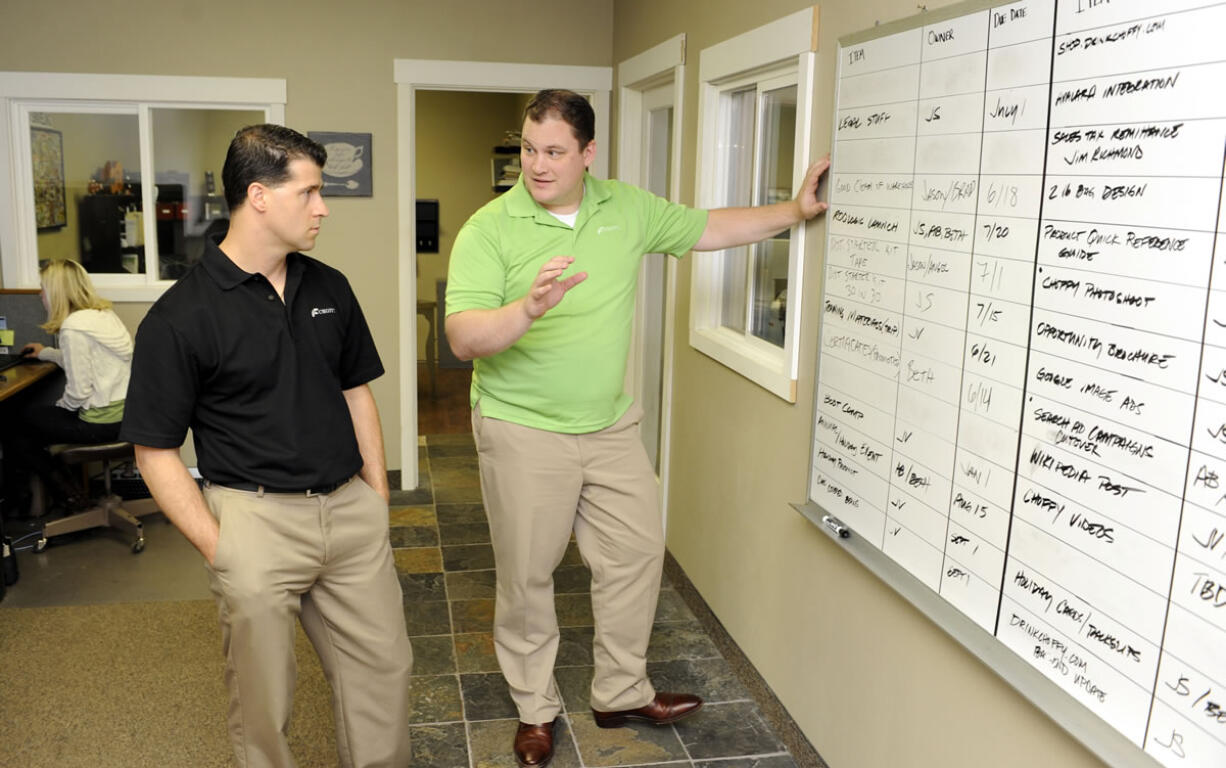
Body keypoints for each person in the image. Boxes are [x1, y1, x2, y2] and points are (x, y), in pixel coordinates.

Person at [445, 89, 829, 767]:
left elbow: (709, 227)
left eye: (554, 152)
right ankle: (535, 708)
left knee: (637, 554)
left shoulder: (626, 207)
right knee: (529, 577)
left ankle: (620, 688)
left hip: (611, 426)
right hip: (523, 428)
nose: (536, 165)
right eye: (530, 149)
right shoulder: (490, 227)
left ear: (588, 153)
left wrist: (794, 212)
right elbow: (463, 338)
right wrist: (527, 309)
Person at [120, 125, 411, 768]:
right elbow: (154, 451)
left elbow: (356, 392)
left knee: (383, 675)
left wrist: (377, 496)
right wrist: (219, 547)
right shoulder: (180, 318)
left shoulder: (329, 286)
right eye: (308, 192)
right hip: (253, 521)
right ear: (258, 196)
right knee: (264, 701)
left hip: (348, 511)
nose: (322, 207)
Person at [4, 259, 133, 514]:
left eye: (44, 289)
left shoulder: (73, 328)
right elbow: (83, 359)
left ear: (57, 293)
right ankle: (65, 493)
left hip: (100, 423)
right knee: (29, 420)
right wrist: (46, 353)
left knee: (12, 424)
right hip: (127, 416)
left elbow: (78, 392)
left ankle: (69, 496)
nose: (41, 295)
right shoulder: (103, 316)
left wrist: (61, 409)